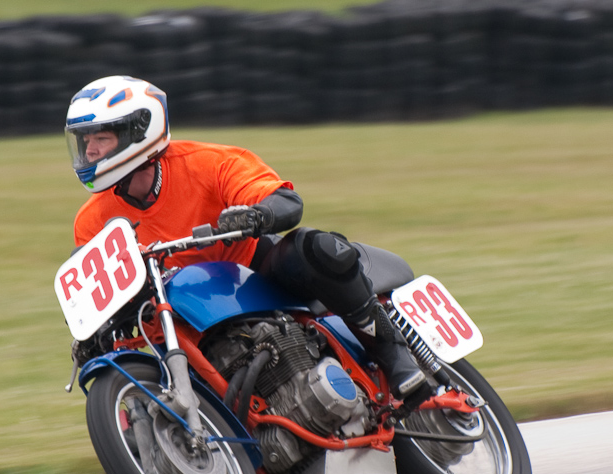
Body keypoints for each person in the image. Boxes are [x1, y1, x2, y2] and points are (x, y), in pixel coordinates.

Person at [66, 75, 428, 401]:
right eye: (86, 142)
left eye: (102, 138)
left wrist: (256, 214)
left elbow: (284, 200)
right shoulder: (92, 221)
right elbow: (96, 296)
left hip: (251, 274)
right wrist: (90, 336)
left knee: (314, 247)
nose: (91, 151)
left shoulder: (210, 163)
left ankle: (393, 354)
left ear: (138, 133)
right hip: (179, 321)